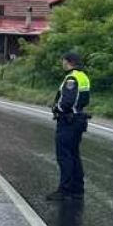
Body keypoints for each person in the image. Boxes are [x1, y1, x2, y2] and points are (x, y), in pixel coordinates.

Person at [46, 51, 91, 201]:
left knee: (64, 156)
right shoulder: (83, 76)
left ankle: (64, 190)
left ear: (68, 62)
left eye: (63, 61)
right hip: (78, 119)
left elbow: (67, 101)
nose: (62, 64)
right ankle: (77, 189)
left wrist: (56, 108)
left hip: (68, 121)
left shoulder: (71, 78)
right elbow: (84, 100)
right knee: (74, 155)